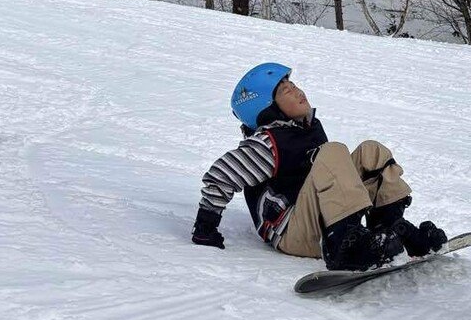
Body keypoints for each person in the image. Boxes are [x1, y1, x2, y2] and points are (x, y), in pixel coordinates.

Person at [190, 63, 448, 271]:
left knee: (371, 151)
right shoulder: (267, 144)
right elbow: (220, 175)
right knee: (334, 152)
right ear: (267, 110)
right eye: (285, 91)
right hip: (292, 233)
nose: (297, 91)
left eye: (294, 85)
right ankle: (346, 248)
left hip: (316, 219)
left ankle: (388, 230)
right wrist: (206, 227)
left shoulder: (306, 129)